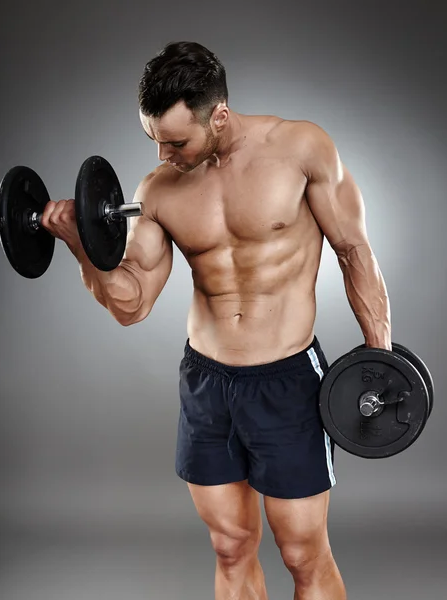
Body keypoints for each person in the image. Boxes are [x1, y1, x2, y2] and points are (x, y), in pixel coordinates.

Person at [41, 41, 391, 600]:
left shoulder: (302, 148)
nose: (163, 156)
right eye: (154, 140)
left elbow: (355, 253)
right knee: (230, 546)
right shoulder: (158, 191)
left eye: (176, 141)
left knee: (303, 553)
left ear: (219, 115)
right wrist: (82, 246)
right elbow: (131, 304)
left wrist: (381, 365)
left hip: (287, 381)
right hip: (207, 381)